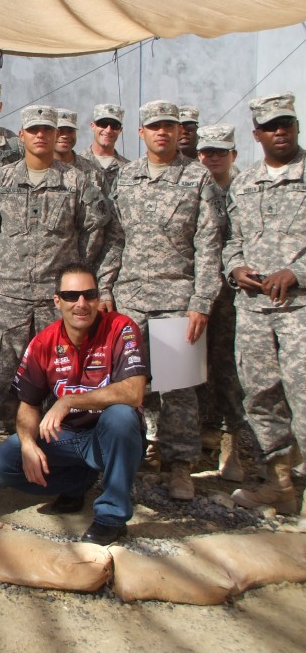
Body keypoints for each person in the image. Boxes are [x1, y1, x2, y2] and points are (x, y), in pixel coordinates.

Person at [101, 100, 224, 500]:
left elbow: (208, 244)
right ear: (141, 133)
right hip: (130, 297)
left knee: (179, 387)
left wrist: (202, 299)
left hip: (177, 296)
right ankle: (134, 454)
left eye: (169, 126)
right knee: (130, 383)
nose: (162, 132)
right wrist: (105, 289)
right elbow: (114, 238)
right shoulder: (126, 176)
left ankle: (180, 466)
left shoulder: (198, 178)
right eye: (154, 126)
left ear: (178, 131)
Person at [0, 105, 110, 458]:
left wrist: (77, 273)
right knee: (5, 365)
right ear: (21, 135)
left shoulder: (77, 181)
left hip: (60, 297)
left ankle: (61, 439)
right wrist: (0, 262)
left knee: (62, 367)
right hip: (11, 292)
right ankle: (1, 435)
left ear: (56, 135)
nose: (40, 135)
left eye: (47, 130)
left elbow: (96, 228)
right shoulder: (0, 180)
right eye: (33, 129)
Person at [0, 263, 146, 546]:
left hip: (109, 436)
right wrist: (27, 445)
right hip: (68, 438)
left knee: (121, 416)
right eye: (71, 296)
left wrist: (69, 401)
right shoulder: (44, 342)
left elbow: (134, 392)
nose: (81, 304)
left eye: (89, 295)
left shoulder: (122, 328)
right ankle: (77, 482)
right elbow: (28, 406)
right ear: (57, 301)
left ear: (98, 298)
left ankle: (111, 518)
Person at [223, 93, 305, 524]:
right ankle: (281, 484)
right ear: (256, 134)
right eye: (271, 125)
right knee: (260, 397)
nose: (280, 131)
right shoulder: (244, 181)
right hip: (253, 311)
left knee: (304, 397)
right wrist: (235, 267)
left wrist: (296, 272)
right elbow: (231, 238)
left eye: (286, 123)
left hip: (299, 310)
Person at [194, 124, 247, 481]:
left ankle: (232, 447)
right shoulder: (193, 188)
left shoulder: (244, 189)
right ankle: (199, 439)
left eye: (220, 151)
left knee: (229, 370)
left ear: (233, 154)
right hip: (194, 291)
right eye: (207, 151)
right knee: (188, 369)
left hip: (232, 297)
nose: (213, 157)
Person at [80, 104, 130, 193]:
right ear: (93, 126)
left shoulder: (129, 169)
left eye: (114, 126)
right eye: (103, 124)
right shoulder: (77, 164)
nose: (108, 130)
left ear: (120, 130)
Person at [53, 108, 103, 188]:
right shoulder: (38, 169)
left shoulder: (93, 170)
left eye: (70, 131)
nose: (65, 136)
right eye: (59, 131)